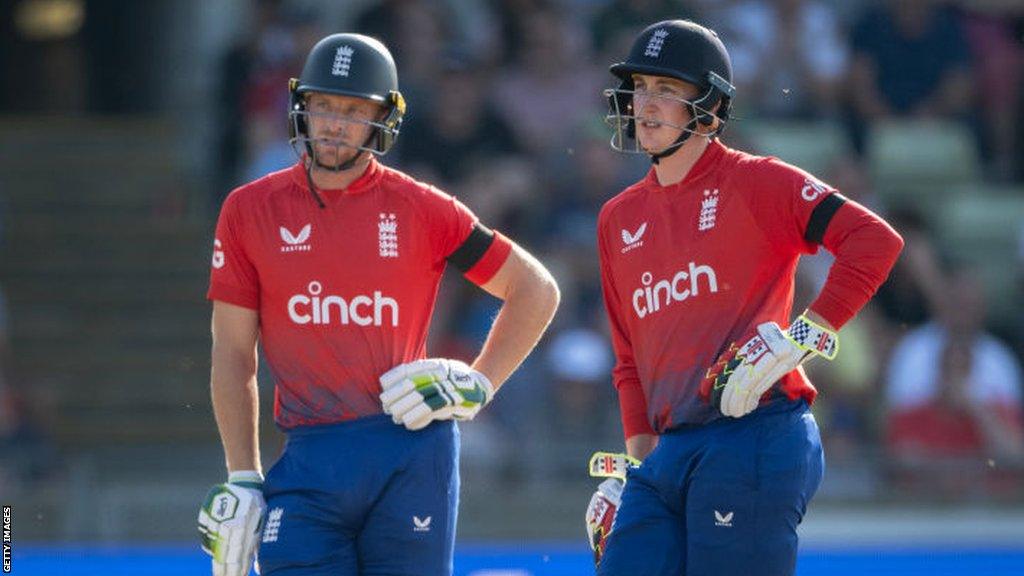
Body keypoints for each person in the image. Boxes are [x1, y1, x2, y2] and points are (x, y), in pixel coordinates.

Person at [195, 33, 560, 576]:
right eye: (323, 106)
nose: (335, 123)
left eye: (353, 110)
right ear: (301, 107)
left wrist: (480, 382)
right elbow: (231, 354)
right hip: (308, 459)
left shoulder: (423, 208)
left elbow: (536, 290)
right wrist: (243, 475)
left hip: (411, 453)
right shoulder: (250, 210)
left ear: (382, 118)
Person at [586, 20, 903, 576]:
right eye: (639, 87)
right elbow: (629, 364)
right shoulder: (617, 218)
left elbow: (875, 241)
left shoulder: (758, 182)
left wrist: (802, 339)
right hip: (667, 457)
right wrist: (633, 469)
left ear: (708, 107)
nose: (645, 103)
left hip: (755, 434)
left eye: (666, 89)